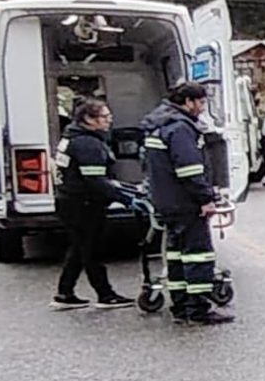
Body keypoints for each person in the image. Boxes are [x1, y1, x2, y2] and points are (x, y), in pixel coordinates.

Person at [142, 83, 233, 326]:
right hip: (186, 203)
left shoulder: (158, 125)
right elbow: (190, 170)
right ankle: (198, 309)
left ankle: (181, 306)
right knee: (198, 255)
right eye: (200, 103)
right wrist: (206, 198)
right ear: (188, 102)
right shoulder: (181, 128)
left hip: (167, 202)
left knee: (176, 256)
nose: (202, 108)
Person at [53, 100, 139, 310]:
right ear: (88, 120)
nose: (109, 120)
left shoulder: (72, 137)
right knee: (91, 251)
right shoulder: (87, 144)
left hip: (70, 200)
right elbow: (96, 181)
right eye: (104, 116)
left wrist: (125, 189)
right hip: (84, 204)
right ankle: (105, 295)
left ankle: (65, 293)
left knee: (80, 248)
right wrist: (126, 199)